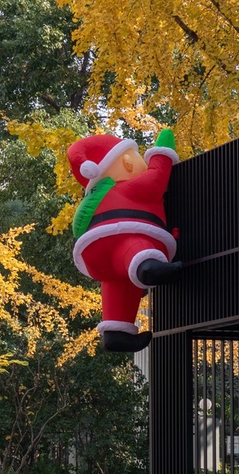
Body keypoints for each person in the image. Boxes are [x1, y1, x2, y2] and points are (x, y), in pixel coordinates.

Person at [66, 129, 182, 352]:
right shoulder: (129, 187)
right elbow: (157, 178)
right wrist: (162, 152)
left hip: (96, 256)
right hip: (123, 236)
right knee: (132, 248)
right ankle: (147, 268)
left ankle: (117, 334)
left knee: (117, 283)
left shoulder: (98, 197)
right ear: (128, 162)